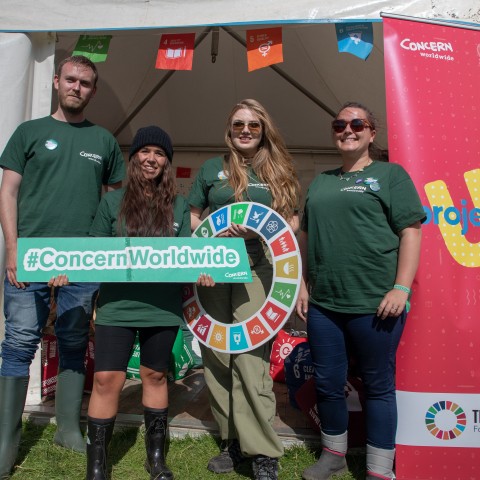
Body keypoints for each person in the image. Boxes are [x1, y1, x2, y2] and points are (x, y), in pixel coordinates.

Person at [0, 55, 125, 477]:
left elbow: (114, 204)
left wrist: (104, 256)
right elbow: (8, 193)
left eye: (85, 82)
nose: (77, 87)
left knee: (74, 339)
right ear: (57, 82)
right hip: (30, 256)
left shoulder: (105, 141)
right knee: (19, 342)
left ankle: (68, 427)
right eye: (70, 79)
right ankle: (6, 442)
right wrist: (13, 249)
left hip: (83, 259)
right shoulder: (29, 132)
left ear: (93, 89)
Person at [295, 102, 425, 480]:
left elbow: (411, 231)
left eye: (357, 123)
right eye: (340, 124)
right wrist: (302, 284)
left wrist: (401, 287)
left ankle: (379, 470)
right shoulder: (321, 181)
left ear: (372, 132)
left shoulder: (390, 175)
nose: (347, 130)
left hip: (375, 304)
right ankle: (333, 455)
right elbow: (305, 237)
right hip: (324, 306)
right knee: (328, 382)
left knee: (378, 386)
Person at [84, 126, 214, 480]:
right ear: (134, 157)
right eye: (146, 151)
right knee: (106, 380)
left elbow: (189, 256)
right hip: (117, 305)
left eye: (160, 153)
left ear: (167, 163)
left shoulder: (179, 206)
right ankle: (97, 465)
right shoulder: (112, 202)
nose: (152, 158)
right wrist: (65, 269)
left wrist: (201, 270)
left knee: (155, 376)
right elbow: (92, 252)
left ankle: (156, 460)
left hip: (162, 306)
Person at [188, 99, 300, 480]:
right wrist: (203, 246)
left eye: (253, 124)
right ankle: (233, 440)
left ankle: (263, 450)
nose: (246, 131)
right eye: (239, 124)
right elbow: (193, 214)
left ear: (263, 128)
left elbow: (292, 217)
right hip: (215, 270)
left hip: (259, 268)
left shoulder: (278, 169)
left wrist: (266, 231)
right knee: (217, 355)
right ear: (229, 129)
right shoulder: (211, 168)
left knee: (251, 357)